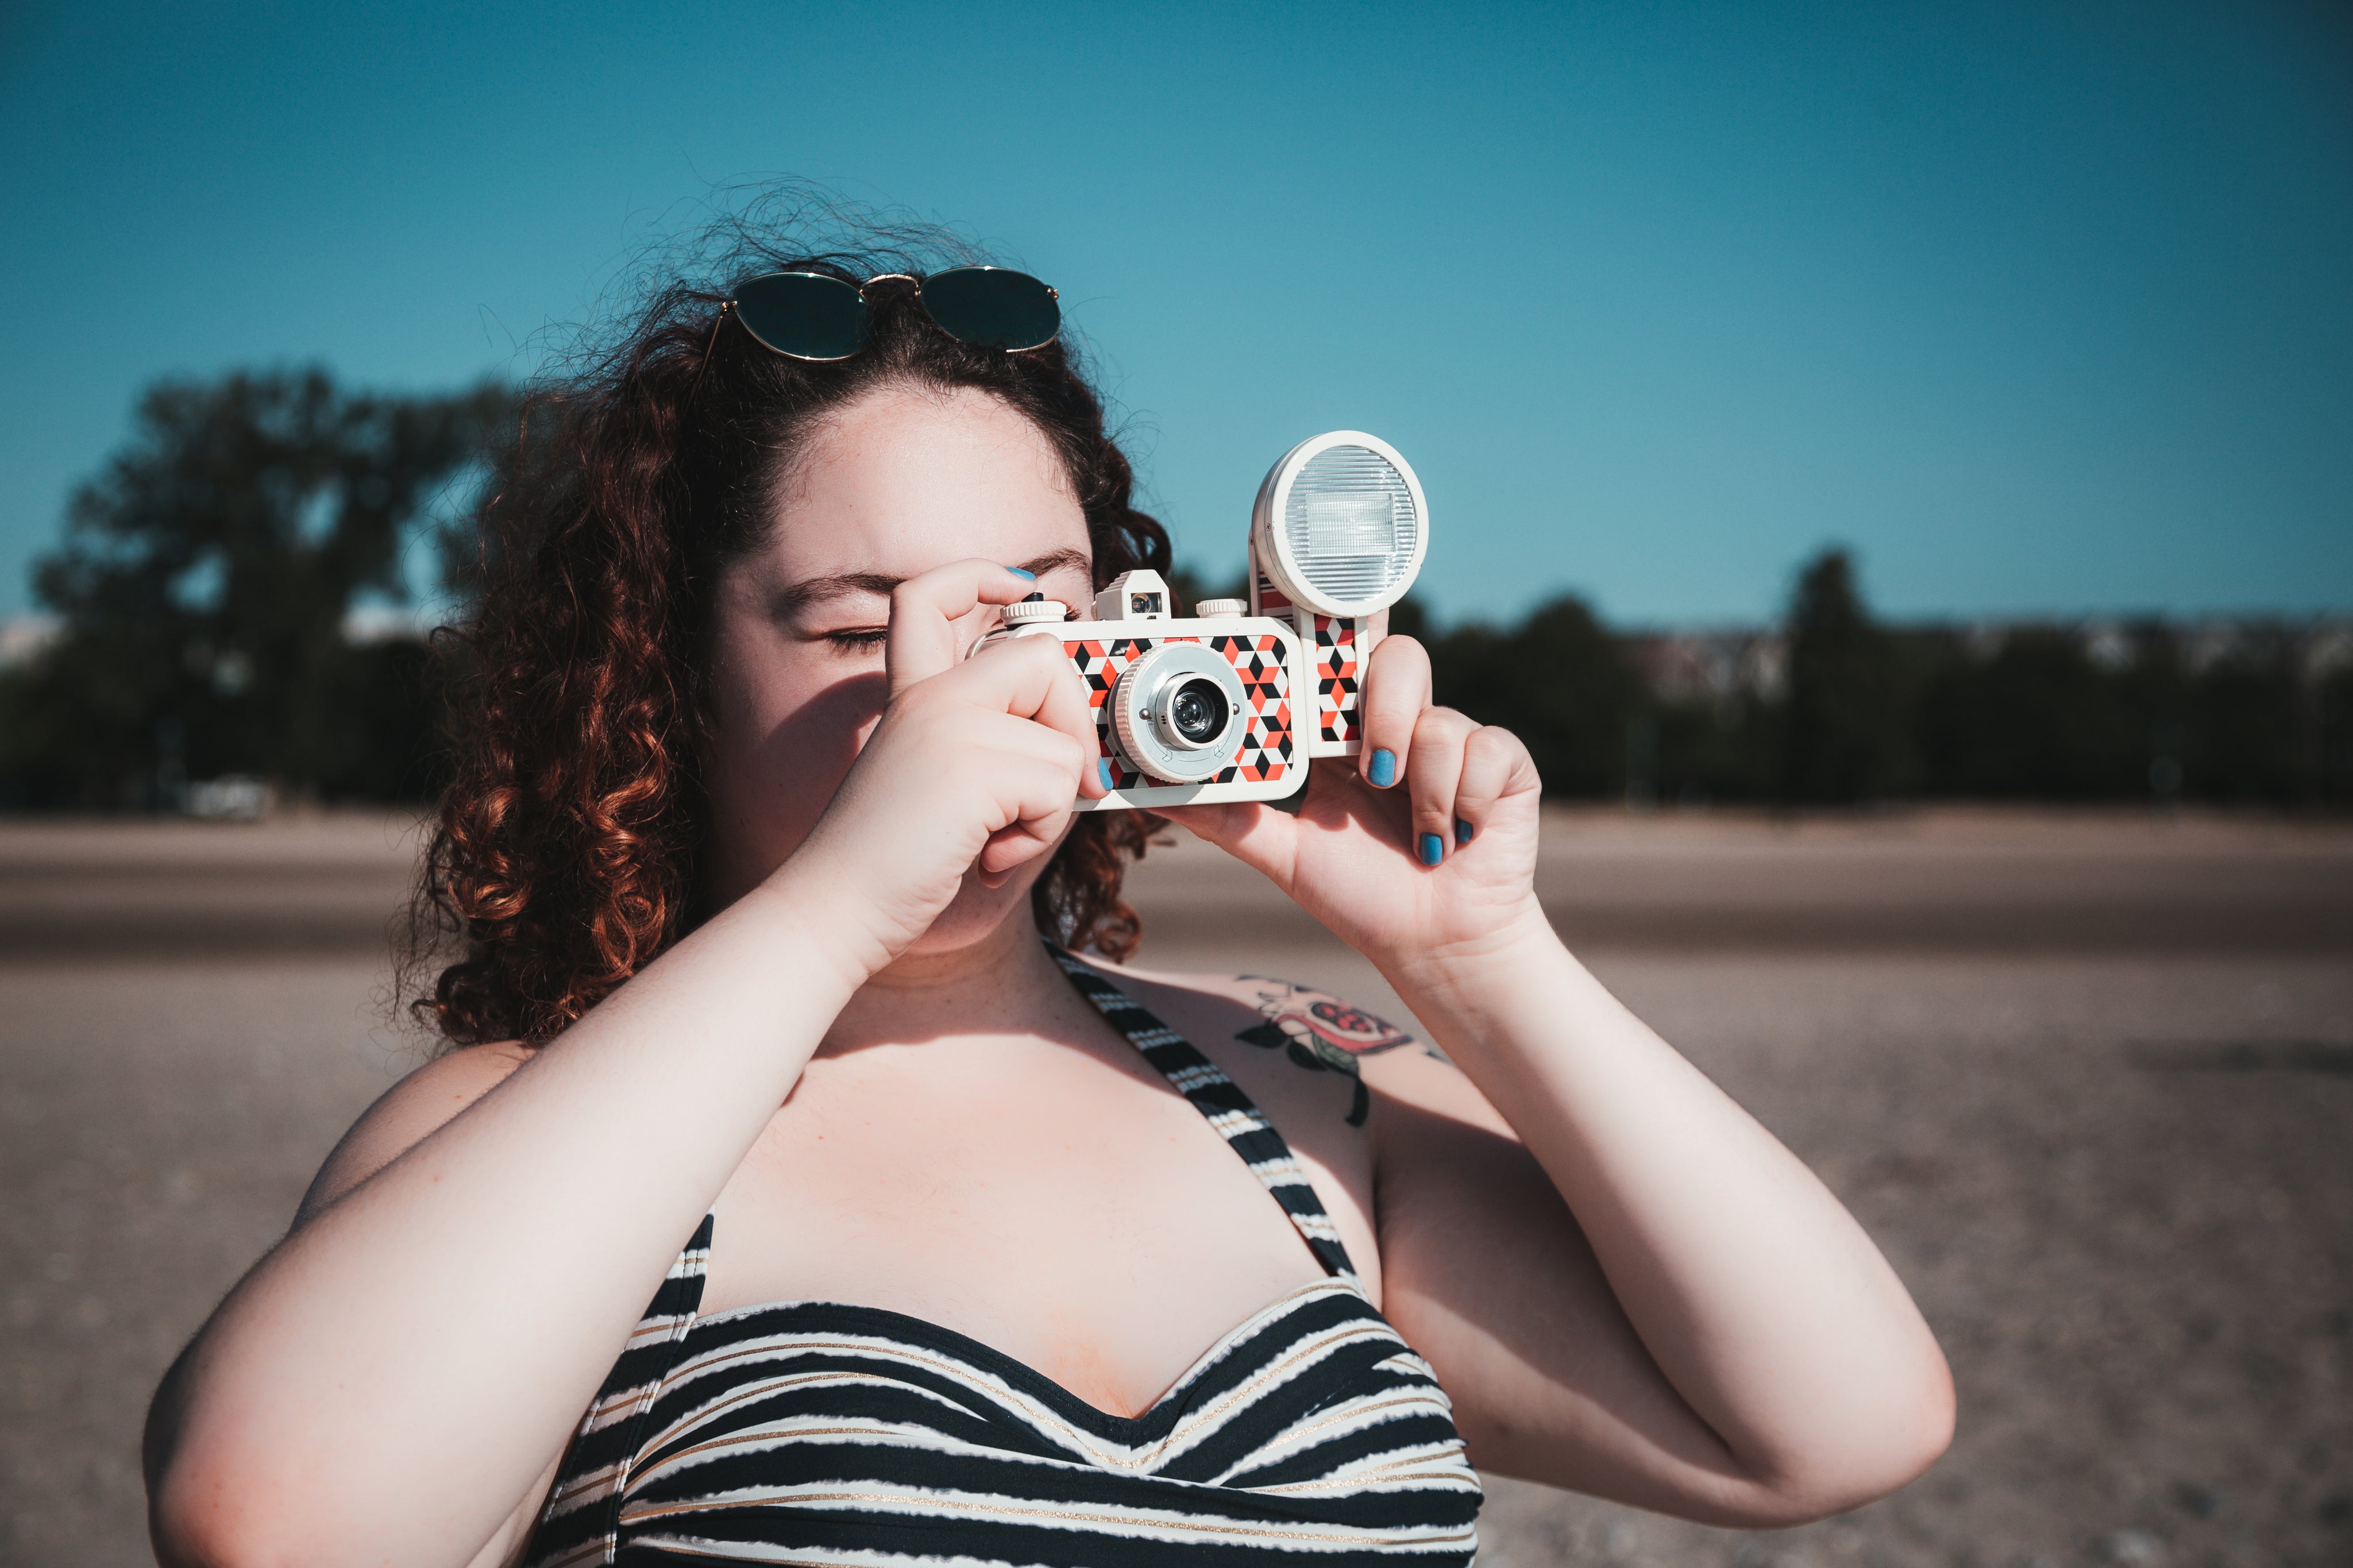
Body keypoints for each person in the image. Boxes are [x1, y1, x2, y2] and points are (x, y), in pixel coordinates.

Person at [144, 211, 1952, 1568]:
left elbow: (1835, 1419)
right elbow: (271, 1514)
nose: (952, 686)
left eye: (1031, 606)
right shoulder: (550, 1133)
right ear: (670, 683)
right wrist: (844, 902)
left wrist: (1480, 958)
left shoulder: (1301, 1098)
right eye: (856, 625)